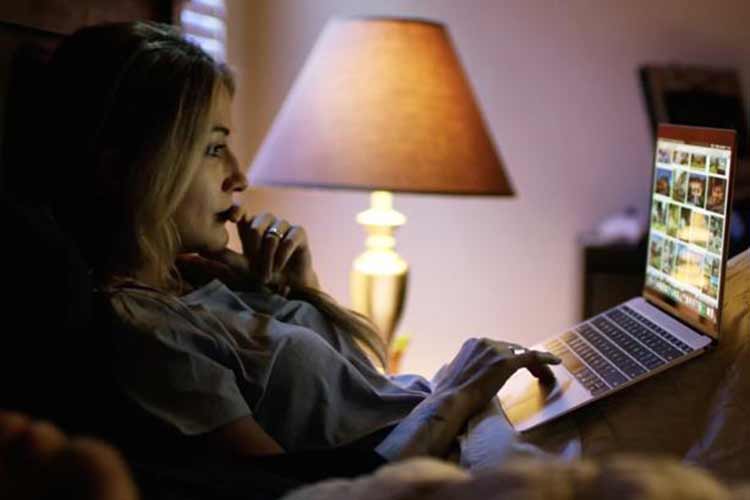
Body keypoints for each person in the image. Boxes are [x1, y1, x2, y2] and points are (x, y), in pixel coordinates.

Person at [39, 20, 559, 472]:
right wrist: (458, 391)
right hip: (445, 457)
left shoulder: (198, 281)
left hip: (455, 427)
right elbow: (304, 493)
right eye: (214, 149)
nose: (239, 177)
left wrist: (300, 292)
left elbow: (361, 393)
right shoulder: (147, 335)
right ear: (122, 170)